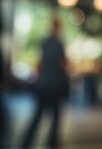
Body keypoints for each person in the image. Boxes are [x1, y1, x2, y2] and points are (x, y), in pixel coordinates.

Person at [22, 17, 69, 148]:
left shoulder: (44, 42)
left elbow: (39, 64)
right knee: (55, 118)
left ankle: (26, 141)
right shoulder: (59, 44)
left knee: (37, 116)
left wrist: (37, 79)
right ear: (58, 27)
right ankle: (52, 142)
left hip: (43, 84)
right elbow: (63, 64)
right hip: (55, 85)